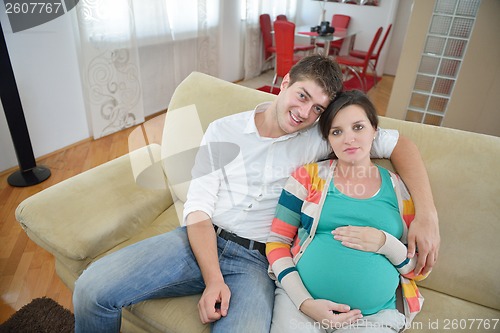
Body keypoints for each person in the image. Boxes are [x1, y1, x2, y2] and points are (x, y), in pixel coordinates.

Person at [72, 55, 439, 332]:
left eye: (317, 109)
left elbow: (397, 144)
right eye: (302, 96)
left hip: (258, 265)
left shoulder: (321, 137)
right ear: (284, 81)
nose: (303, 113)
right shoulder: (223, 130)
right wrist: (213, 279)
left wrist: (427, 216)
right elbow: (197, 210)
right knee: (91, 289)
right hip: (199, 240)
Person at [266, 90, 429, 332]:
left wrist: (386, 243)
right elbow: (277, 242)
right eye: (337, 132)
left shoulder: (399, 190)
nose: (348, 139)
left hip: (372, 318)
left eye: (358, 127)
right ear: (329, 140)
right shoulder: (307, 177)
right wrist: (305, 302)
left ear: (375, 131)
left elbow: (418, 269)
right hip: (301, 305)